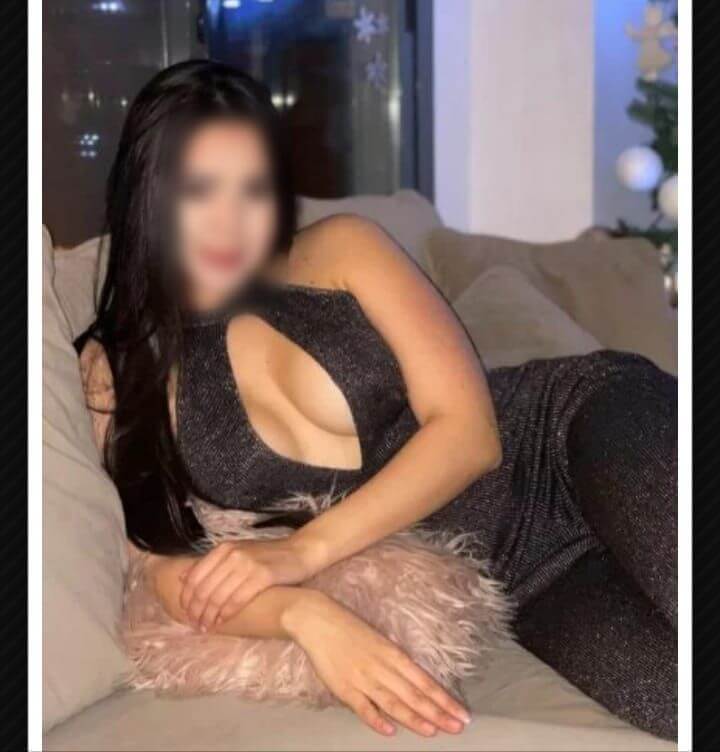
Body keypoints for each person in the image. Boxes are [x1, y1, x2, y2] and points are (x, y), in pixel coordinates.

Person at [77, 61, 677, 740]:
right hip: (525, 577)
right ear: (149, 193)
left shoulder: (342, 248)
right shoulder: (115, 371)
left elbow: (471, 435)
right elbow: (160, 571)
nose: (231, 221)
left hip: (573, 434)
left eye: (253, 189)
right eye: (200, 189)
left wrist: (303, 553)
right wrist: (305, 615)